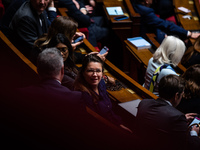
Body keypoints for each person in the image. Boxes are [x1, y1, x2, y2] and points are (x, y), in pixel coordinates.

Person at [136, 74, 200, 150]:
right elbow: (192, 147)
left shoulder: (144, 103)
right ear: (176, 96)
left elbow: (160, 118)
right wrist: (194, 132)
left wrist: (181, 120)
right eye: (181, 95)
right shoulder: (176, 117)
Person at [74, 54, 132, 133]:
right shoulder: (83, 94)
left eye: (98, 71)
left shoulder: (101, 83)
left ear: (102, 73)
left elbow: (109, 111)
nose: (95, 75)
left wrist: (120, 124)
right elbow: (96, 123)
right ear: (83, 72)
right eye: (90, 70)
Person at [131, 0, 200, 43]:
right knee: (178, 38)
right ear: (147, 1)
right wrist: (188, 33)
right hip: (150, 35)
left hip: (150, 27)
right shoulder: (146, 11)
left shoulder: (135, 3)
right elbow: (164, 24)